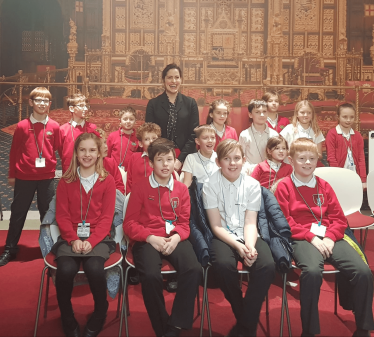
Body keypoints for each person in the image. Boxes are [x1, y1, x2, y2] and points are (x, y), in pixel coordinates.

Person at [274, 138, 374, 337]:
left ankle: (363, 326)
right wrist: (311, 237)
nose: (307, 163)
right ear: (291, 160)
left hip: (330, 236)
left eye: (312, 158)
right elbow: (284, 222)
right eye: (301, 158)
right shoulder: (284, 187)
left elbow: (338, 217)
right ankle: (309, 331)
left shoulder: (324, 185)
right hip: (301, 237)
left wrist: (330, 237)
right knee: (311, 272)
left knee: (363, 271)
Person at [123, 138, 202, 337]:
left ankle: (175, 324)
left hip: (173, 238)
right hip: (147, 239)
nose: (165, 164)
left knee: (193, 268)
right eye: (160, 160)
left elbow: (184, 224)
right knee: (150, 275)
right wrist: (150, 238)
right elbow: (129, 224)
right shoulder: (140, 188)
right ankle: (161, 327)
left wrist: (176, 238)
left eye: (169, 159)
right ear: (151, 163)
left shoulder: (182, 189)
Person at [203, 139, 275, 336]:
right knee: (223, 265)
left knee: (267, 265)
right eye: (227, 159)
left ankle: (244, 325)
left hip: (247, 233)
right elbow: (216, 225)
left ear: (244, 160)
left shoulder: (252, 184)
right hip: (223, 235)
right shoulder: (210, 184)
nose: (232, 163)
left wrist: (250, 246)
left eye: (236, 158)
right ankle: (243, 314)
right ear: (218, 162)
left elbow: (251, 222)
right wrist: (237, 245)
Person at [52, 132, 116, 337]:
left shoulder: (108, 181)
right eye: (82, 150)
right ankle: (67, 317)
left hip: (99, 237)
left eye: (92, 150)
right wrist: (72, 239)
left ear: (99, 154)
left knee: (95, 268)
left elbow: (107, 218)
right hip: (69, 236)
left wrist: (91, 241)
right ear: (76, 154)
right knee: (65, 270)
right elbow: (61, 216)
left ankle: (100, 311)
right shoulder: (66, 180)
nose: (87, 154)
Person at [0, 87, 60, 267]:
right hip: (24, 176)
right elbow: (14, 152)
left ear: (49, 104)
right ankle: (10, 248)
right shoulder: (22, 126)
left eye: (46, 101)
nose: (42, 104)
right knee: (18, 213)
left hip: (47, 177)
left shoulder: (54, 126)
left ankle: (49, 247)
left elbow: (56, 148)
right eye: (38, 100)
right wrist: (12, 175)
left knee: (47, 214)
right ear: (31, 102)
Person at [145, 63, 199, 171]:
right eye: (170, 78)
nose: (173, 81)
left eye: (177, 77)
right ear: (163, 80)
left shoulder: (190, 103)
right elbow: (151, 133)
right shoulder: (153, 104)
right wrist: (165, 158)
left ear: (181, 80)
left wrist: (180, 160)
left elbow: (194, 134)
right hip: (160, 155)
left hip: (186, 156)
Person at [325, 102, 367, 189]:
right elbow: (331, 158)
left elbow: (361, 158)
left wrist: (363, 180)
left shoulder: (358, 135)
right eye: (345, 117)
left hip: (355, 176)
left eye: (352, 117)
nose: (348, 120)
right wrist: (338, 177)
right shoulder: (332, 134)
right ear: (338, 117)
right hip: (339, 176)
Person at [59, 93, 97, 173]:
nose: (86, 109)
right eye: (82, 106)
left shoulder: (92, 128)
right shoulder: (63, 130)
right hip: (69, 169)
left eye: (87, 106)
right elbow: (61, 151)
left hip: (88, 168)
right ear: (72, 108)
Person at [239, 99, 279, 172]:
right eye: (257, 112)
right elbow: (241, 157)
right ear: (250, 114)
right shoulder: (244, 135)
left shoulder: (274, 134)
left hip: (270, 172)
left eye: (264, 111)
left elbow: (276, 157)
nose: (262, 115)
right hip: (250, 172)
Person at [126, 122, 161, 194]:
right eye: (147, 139)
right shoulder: (134, 158)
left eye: (154, 138)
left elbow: (172, 180)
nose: (151, 141)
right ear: (141, 144)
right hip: (137, 197)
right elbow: (129, 181)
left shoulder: (163, 158)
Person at [107, 106, 139, 171]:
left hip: (132, 172)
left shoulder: (138, 137)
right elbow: (107, 155)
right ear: (120, 120)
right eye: (125, 119)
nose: (128, 121)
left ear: (135, 121)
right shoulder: (112, 136)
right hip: (113, 171)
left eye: (131, 119)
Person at [96, 128, 125, 194]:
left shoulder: (111, 162)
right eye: (102, 143)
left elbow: (119, 186)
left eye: (105, 142)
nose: (106, 146)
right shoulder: (87, 164)